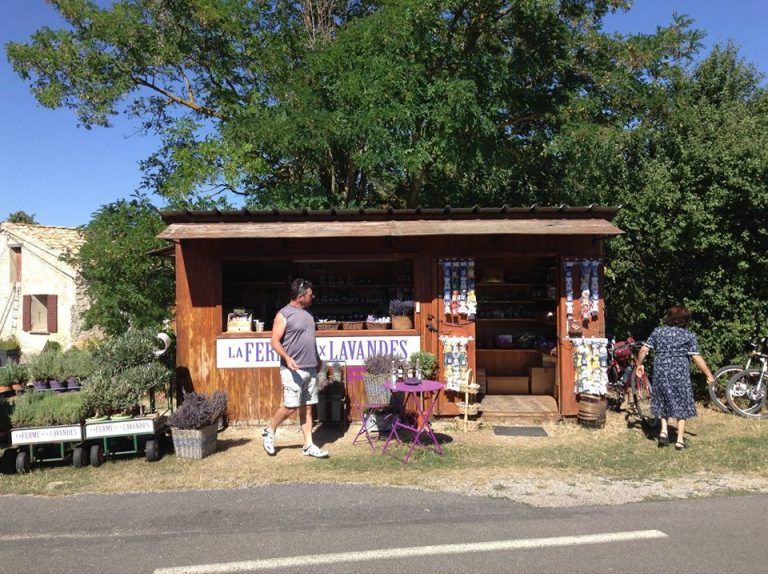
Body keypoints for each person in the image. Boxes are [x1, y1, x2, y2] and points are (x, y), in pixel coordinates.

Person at [262, 278, 329, 458]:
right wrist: (287, 358)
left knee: (308, 407)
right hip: (292, 369)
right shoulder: (283, 314)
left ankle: (308, 445)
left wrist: (317, 359)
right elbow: (274, 341)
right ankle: (269, 431)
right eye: (310, 294)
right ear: (300, 296)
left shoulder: (308, 315)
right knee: (291, 406)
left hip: (310, 367)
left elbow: (310, 340)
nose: (312, 296)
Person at [635, 306, 715, 450]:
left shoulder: (658, 332)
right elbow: (696, 357)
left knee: (663, 398)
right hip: (680, 373)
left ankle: (663, 432)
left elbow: (644, 349)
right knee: (682, 401)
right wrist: (708, 374)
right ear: (685, 320)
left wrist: (639, 364)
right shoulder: (688, 335)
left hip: (661, 371)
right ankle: (679, 440)